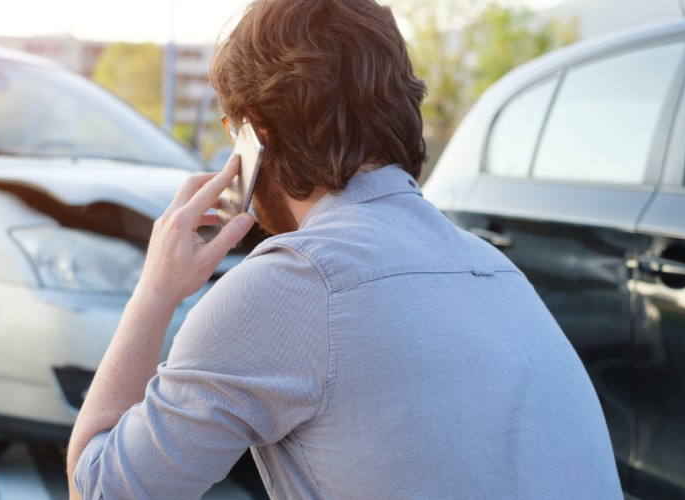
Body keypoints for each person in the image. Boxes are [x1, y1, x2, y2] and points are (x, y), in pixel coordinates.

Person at [66, 0, 622, 498]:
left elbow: (98, 490)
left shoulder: (291, 285)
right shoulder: (496, 269)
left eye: (231, 131)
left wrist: (155, 290)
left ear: (257, 135)